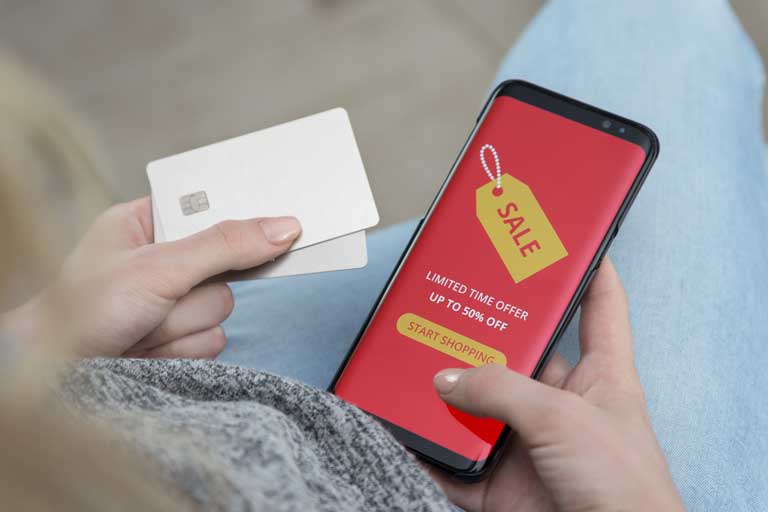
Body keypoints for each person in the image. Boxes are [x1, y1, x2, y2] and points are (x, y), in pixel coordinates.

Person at [0, 1, 765, 511]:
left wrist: (41, 346)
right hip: (372, 468)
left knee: (478, 247)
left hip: (136, 399)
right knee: (656, 16)